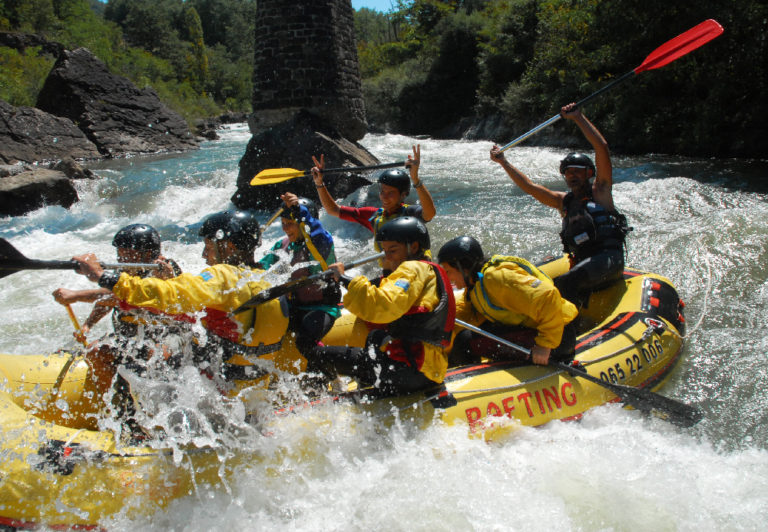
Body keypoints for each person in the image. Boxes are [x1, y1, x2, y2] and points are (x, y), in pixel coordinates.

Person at [71, 210, 291, 384]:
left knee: (160, 359)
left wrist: (102, 276)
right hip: (254, 378)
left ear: (228, 246)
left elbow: (171, 296)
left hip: (218, 381)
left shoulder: (223, 275)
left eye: (208, 247)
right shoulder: (266, 277)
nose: (204, 255)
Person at [490, 103, 630, 306]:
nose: (572, 175)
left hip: (609, 259)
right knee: (545, 286)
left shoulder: (601, 191)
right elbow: (529, 186)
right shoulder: (562, 201)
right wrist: (504, 162)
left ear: (589, 173)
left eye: (577, 171)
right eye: (568, 172)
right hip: (582, 263)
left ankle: (568, 334)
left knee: (566, 282)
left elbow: (602, 147)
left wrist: (578, 118)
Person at [307, 217, 455, 395]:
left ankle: (313, 407)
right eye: (385, 251)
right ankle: (365, 389)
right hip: (425, 368)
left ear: (414, 247)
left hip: (407, 368)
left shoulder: (413, 268)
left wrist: (343, 278)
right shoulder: (429, 270)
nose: (387, 257)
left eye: (392, 250)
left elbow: (383, 304)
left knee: (317, 356)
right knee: (375, 338)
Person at [437, 236, 578, 367]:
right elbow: (468, 317)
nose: (448, 278)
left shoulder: (496, 279)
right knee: (468, 336)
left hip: (559, 338)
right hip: (542, 331)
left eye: (448, 271)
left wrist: (545, 345)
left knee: (465, 342)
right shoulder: (475, 285)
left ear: (463, 268)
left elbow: (548, 296)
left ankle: (466, 381)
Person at [311, 145, 436, 269]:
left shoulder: (410, 213)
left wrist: (415, 179)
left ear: (403, 195)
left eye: (391, 193)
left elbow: (429, 213)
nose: (384, 197)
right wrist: (319, 183)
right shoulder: (375, 216)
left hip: (417, 272)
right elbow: (333, 210)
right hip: (392, 274)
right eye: (382, 192)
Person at [52, 224, 182, 341]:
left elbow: (119, 294)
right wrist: (88, 325)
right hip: (131, 336)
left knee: (151, 351)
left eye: (127, 255)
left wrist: (76, 295)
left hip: (165, 338)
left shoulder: (164, 270)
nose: (121, 260)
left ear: (147, 254)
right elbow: (106, 303)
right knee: (95, 351)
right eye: (119, 255)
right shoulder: (127, 269)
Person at [254, 193, 341, 358]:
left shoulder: (321, 243)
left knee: (305, 342)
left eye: (290, 224)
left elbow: (315, 230)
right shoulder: (283, 245)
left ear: (303, 224)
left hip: (321, 308)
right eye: (283, 223)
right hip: (293, 307)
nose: (286, 229)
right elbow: (261, 269)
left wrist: (298, 210)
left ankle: (330, 378)